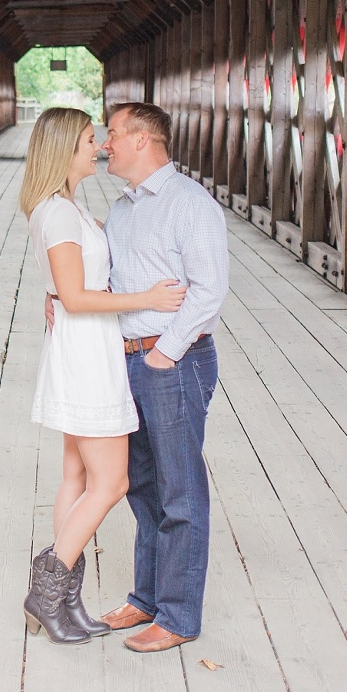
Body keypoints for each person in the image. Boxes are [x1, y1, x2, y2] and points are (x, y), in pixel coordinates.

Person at [19, 107, 186, 646]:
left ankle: (67, 602)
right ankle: (47, 591)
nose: (100, 147)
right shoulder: (61, 215)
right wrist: (147, 298)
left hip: (82, 347)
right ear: (66, 148)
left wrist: (56, 295)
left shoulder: (64, 208)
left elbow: (63, 289)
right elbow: (74, 296)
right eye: (91, 140)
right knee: (111, 482)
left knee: (76, 476)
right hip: (89, 354)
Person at [95, 102, 228, 654]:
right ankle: (146, 598)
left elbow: (209, 289)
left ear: (143, 140)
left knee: (180, 490)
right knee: (143, 487)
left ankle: (177, 617)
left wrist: (163, 355)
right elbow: (112, 281)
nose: (105, 143)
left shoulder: (189, 203)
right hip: (128, 359)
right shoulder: (122, 210)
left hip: (173, 361)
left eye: (113, 133)